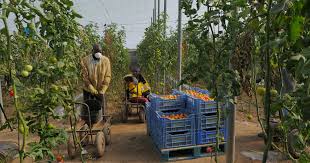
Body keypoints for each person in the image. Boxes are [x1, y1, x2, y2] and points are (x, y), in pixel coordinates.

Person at [80, 44, 111, 121]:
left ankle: (103, 118)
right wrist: (91, 88)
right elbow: (84, 76)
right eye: (96, 51)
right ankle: (87, 120)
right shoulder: (85, 60)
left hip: (100, 88)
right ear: (92, 51)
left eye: (100, 51)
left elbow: (107, 76)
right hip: (88, 88)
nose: (98, 53)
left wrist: (103, 89)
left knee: (101, 105)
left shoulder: (105, 60)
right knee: (87, 105)